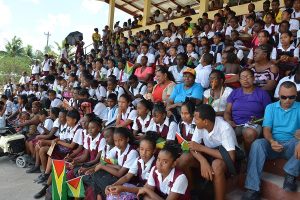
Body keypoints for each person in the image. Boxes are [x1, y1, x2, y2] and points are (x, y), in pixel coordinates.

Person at [242, 81, 300, 200]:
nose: (287, 100)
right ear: (278, 95)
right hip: (274, 144)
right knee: (258, 144)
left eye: (291, 97)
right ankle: (253, 188)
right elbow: (267, 129)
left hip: (292, 144)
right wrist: (272, 141)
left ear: (296, 95)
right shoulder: (270, 107)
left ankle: (290, 174)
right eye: (283, 97)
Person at [189, 104, 238, 200]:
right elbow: (192, 147)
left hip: (228, 159)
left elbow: (231, 157)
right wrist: (203, 161)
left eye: (196, 119)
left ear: (205, 122)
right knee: (184, 158)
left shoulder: (225, 128)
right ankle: (193, 194)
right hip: (210, 155)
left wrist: (202, 148)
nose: (194, 121)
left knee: (216, 165)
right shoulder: (200, 126)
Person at [224, 68, 271, 152]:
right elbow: (227, 111)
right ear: (239, 80)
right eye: (243, 77)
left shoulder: (262, 94)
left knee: (249, 133)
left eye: (248, 77)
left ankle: (247, 157)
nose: (246, 79)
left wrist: (259, 120)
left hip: (254, 124)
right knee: (223, 132)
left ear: (253, 78)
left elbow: (270, 114)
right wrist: (228, 121)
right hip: (236, 124)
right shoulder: (235, 93)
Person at [87, 127, 139, 199]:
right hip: (115, 175)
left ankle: (99, 195)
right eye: (115, 141)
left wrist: (103, 166)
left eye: (120, 140)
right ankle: (99, 195)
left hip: (125, 181)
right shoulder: (117, 148)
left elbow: (120, 174)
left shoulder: (132, 153)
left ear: (127, 139)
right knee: (96, 175)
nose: (117, 143)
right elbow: (104, 161)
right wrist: (115, 166)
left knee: (98, 179)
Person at [105, 133, 157, 200]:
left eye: (148, 150)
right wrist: (113, 185)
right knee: (113, 194)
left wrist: (123, 189)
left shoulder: (156, 165)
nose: (144, 153)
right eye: (141, 149)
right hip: (137, 187)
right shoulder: (138, 160)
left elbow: (146, 188)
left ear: (154, 150)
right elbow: (127, 177)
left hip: (148, 193)